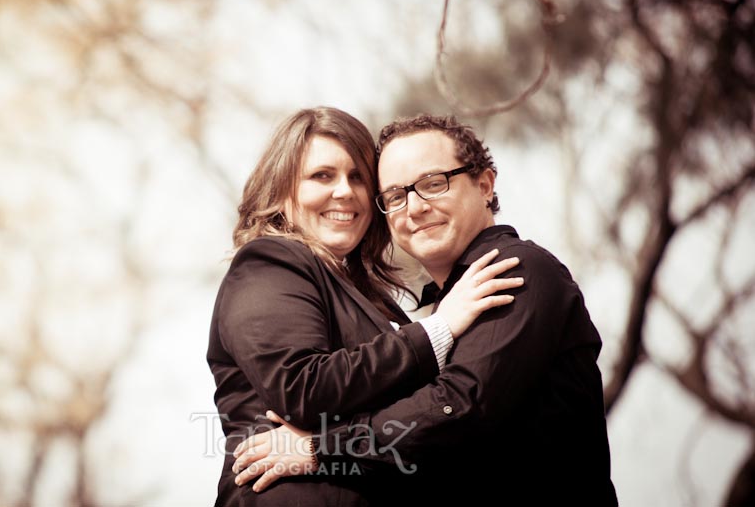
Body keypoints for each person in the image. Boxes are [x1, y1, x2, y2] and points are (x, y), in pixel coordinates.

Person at [232, 114, 618, 505]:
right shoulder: (446, 304)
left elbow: (460, 406)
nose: (414, 208)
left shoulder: (513, 270)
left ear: (484, 185)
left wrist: (319, 449)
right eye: (397, 196)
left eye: (434, 184)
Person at [206, 108, 523, 506]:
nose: (345, 191)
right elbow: (301, 387)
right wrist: (439, 330)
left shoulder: (358, 292)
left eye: (358, 177)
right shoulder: (269, 262)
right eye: (322, 175)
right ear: (283, 190)